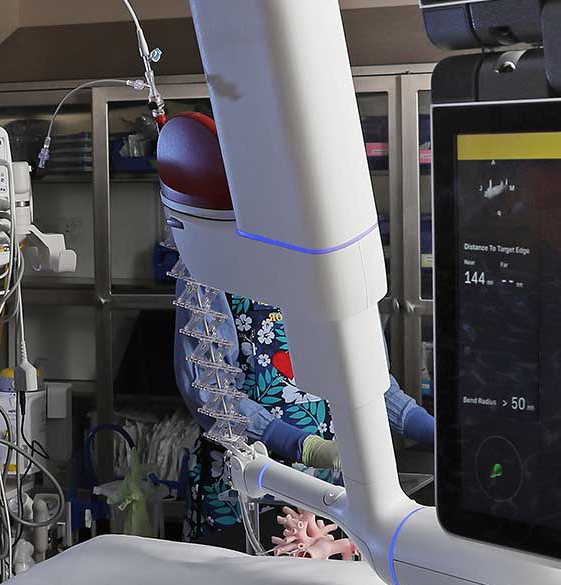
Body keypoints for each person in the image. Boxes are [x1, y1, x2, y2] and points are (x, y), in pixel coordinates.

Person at [151, 111, 437, 545]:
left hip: (332, 493)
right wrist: (301, 445)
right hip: (244, 489)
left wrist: (427, 428)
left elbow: (369, 378)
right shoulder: (211, 264)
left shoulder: (336, 259)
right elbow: (214, 396)